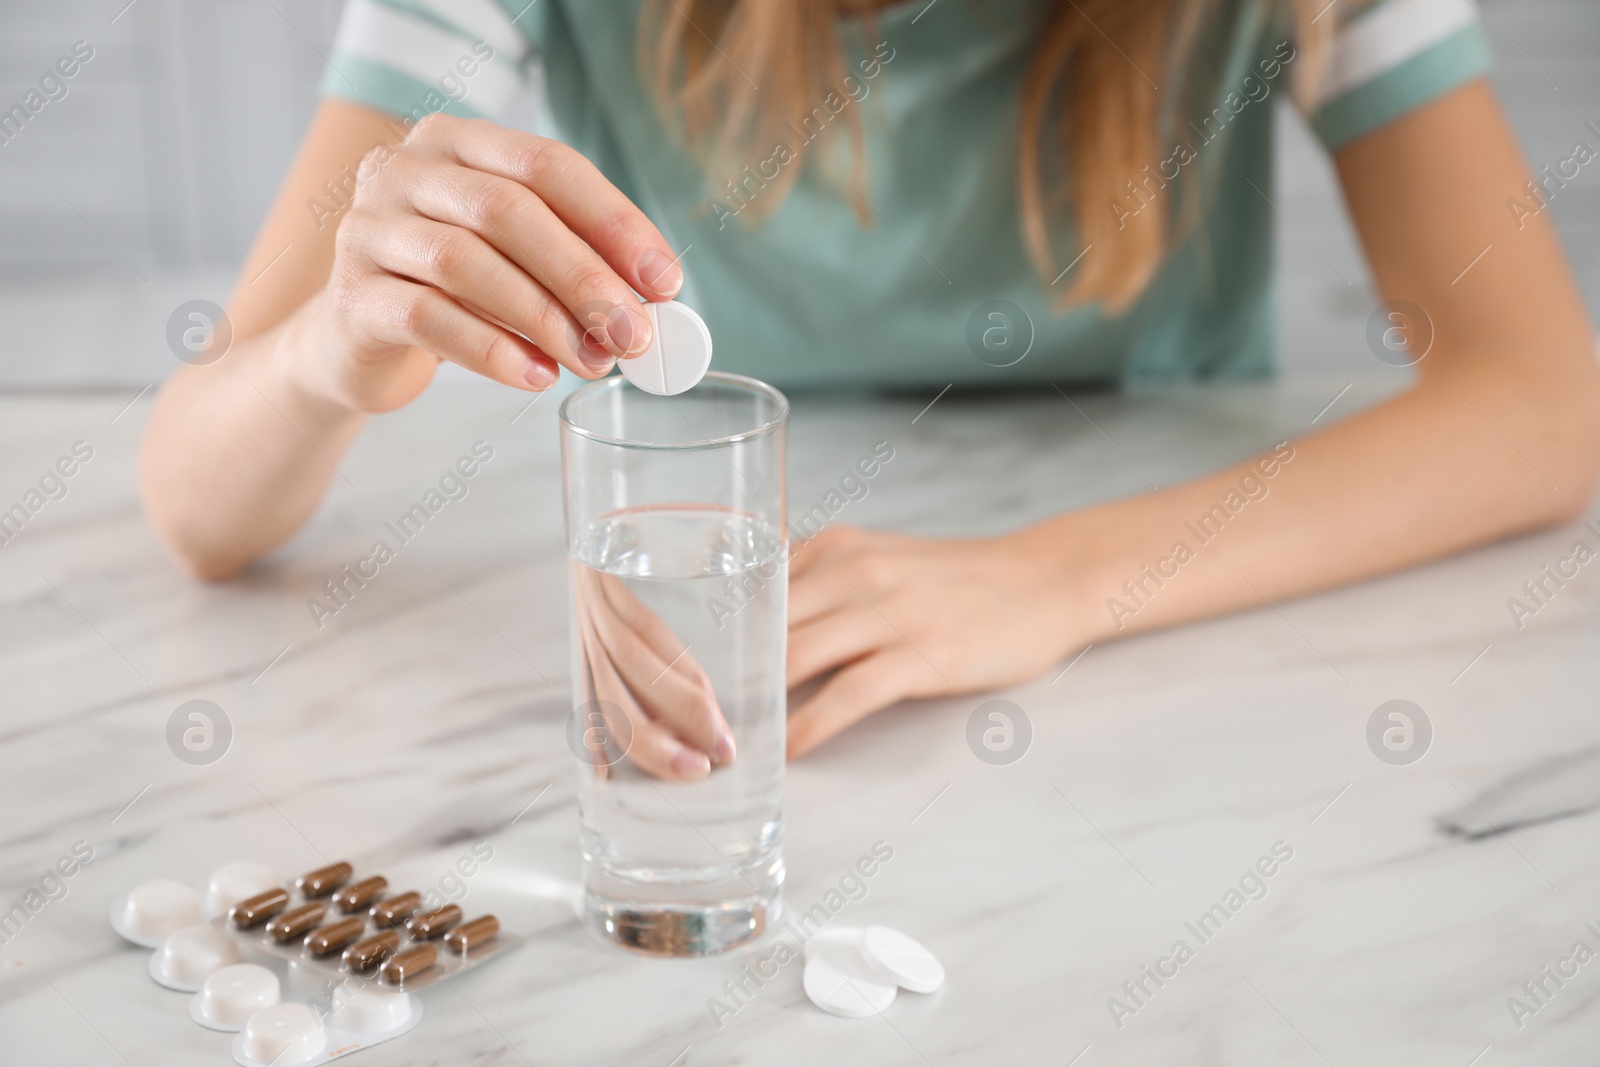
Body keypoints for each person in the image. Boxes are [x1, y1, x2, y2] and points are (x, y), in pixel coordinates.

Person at [141, 0, 1600, 768]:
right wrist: (334, 346)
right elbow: (199, 508)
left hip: (1167, 664)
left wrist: (1060, 582)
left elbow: (1543, 407)